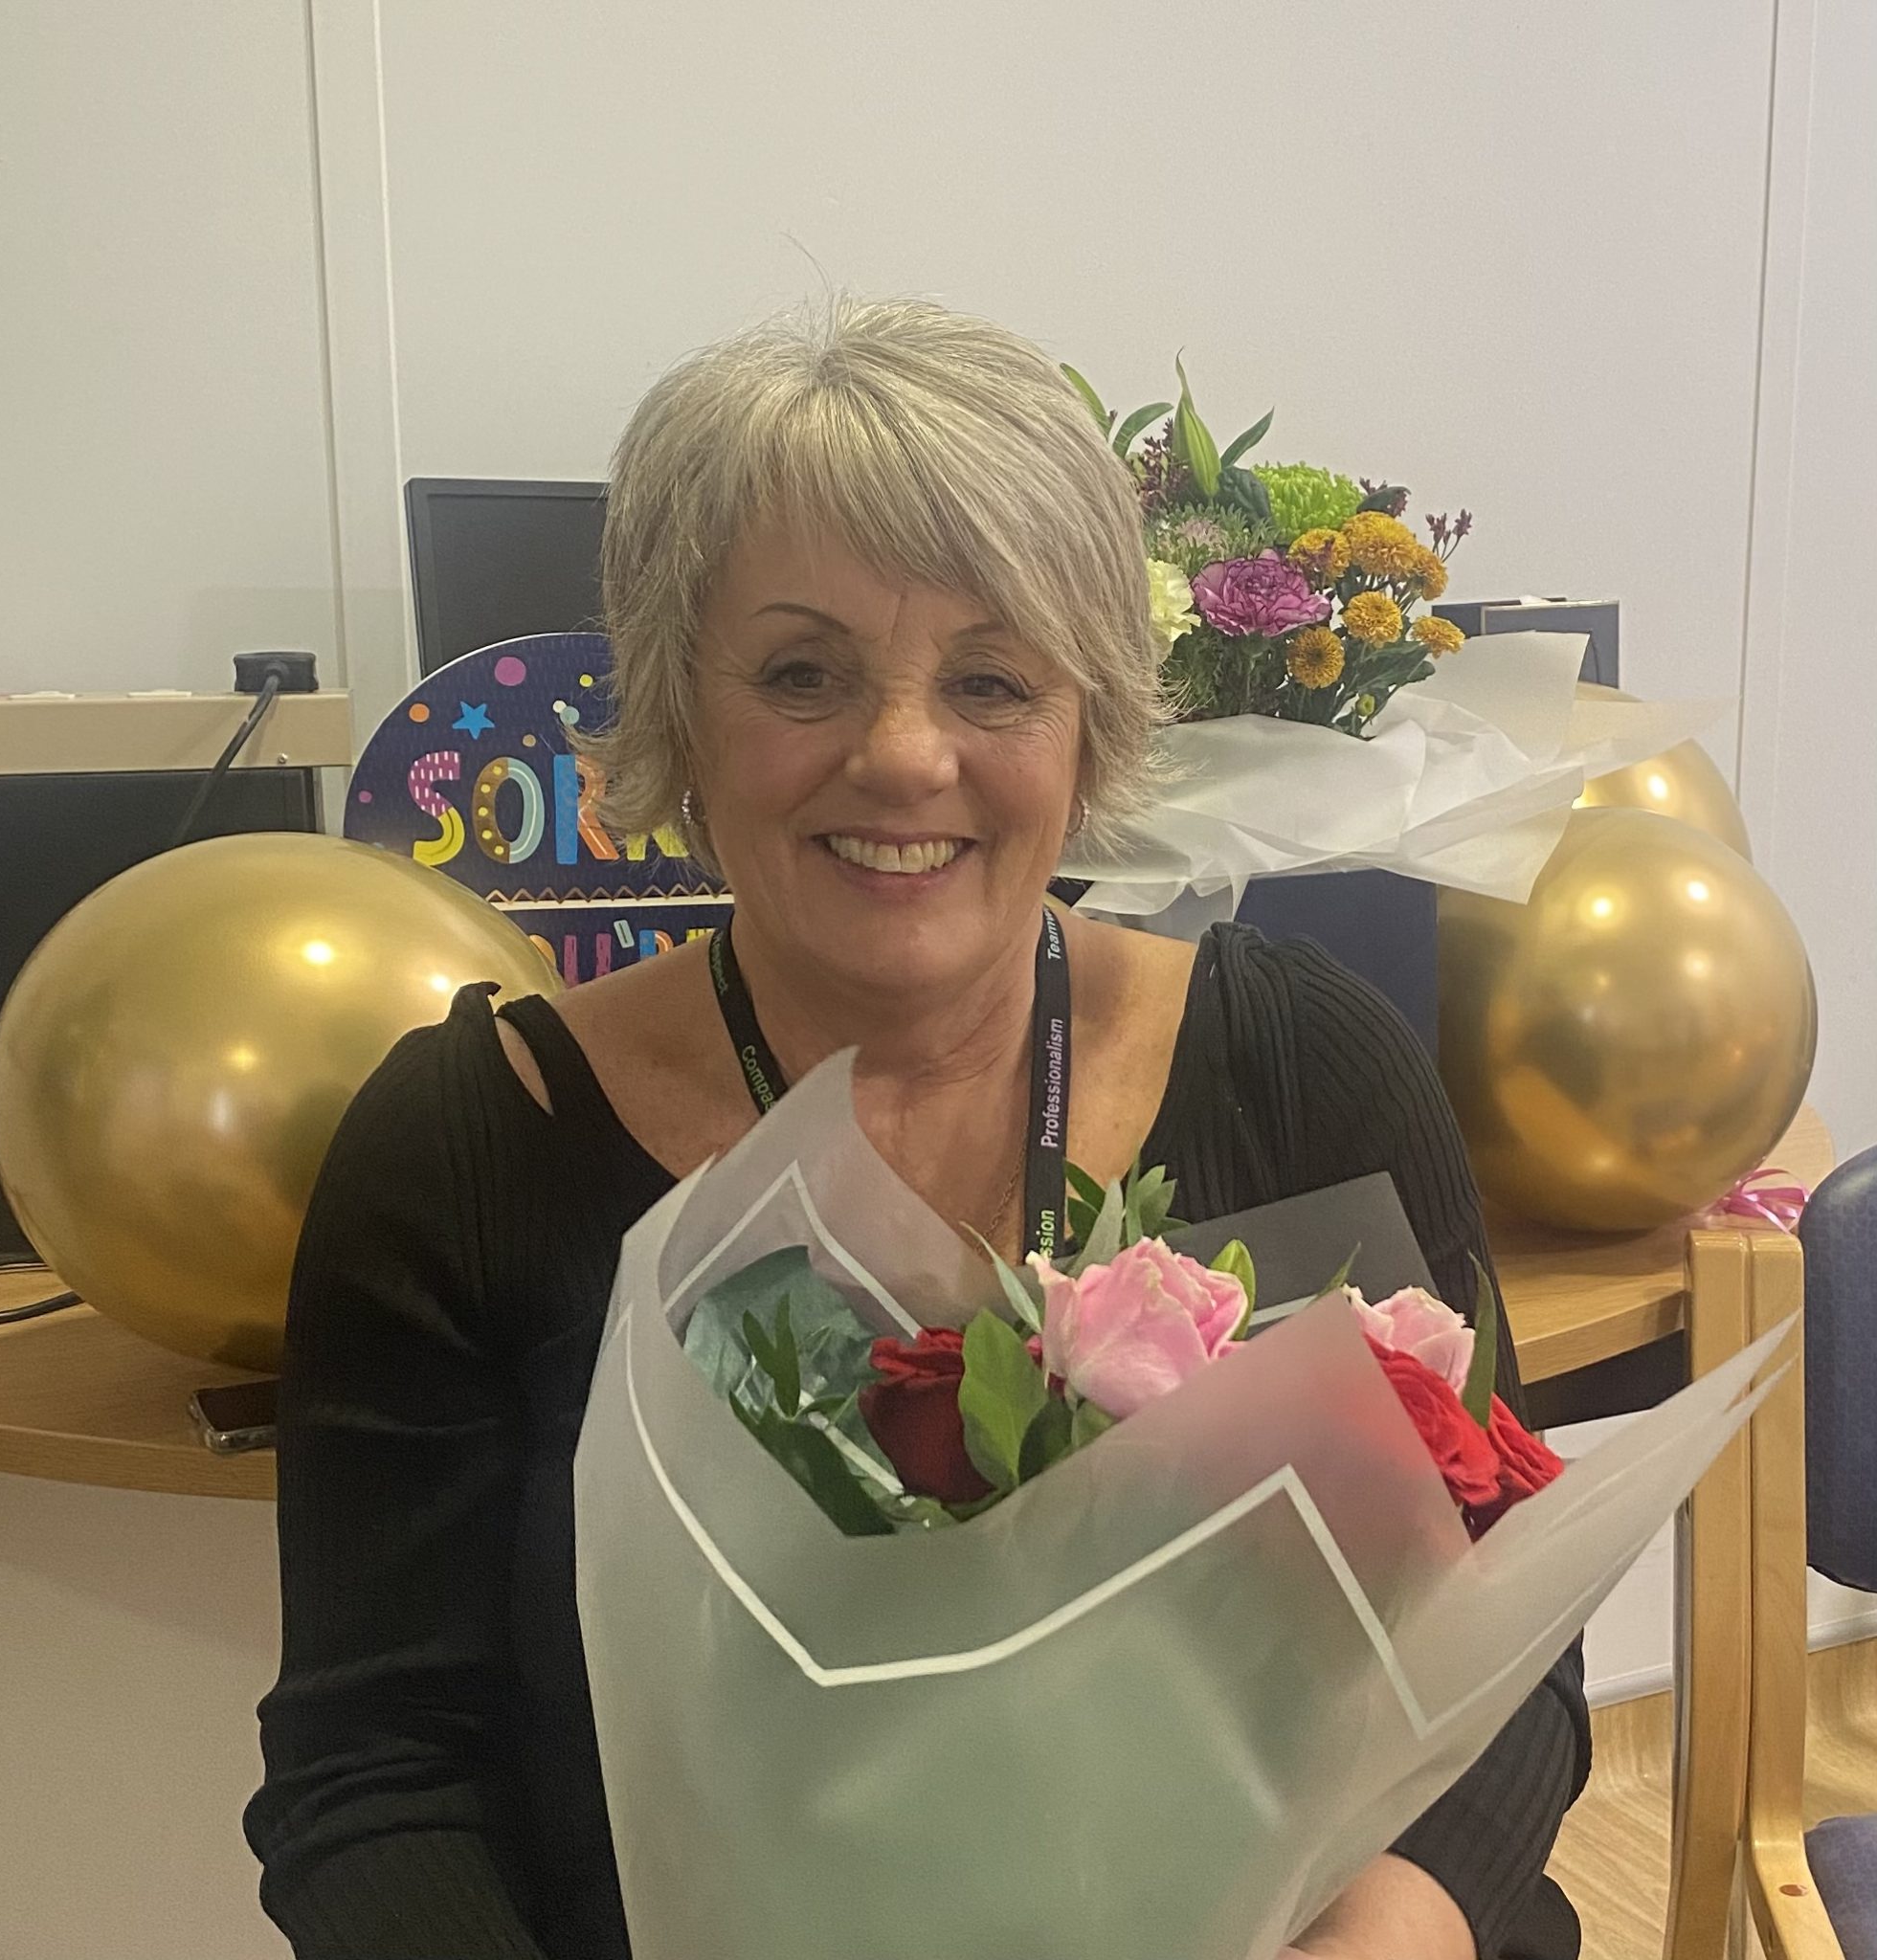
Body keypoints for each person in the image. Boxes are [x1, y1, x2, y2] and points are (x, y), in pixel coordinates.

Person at [246, 298, 1588, 1960]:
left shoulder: (1306, 1070)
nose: (902, 754)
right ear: (676, 705)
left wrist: (1398, 1928)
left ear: (1091, 718)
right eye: (802, 672)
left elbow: (1506, 1637)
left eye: (993, 680)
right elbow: (378, 1781)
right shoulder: (472, 1153)